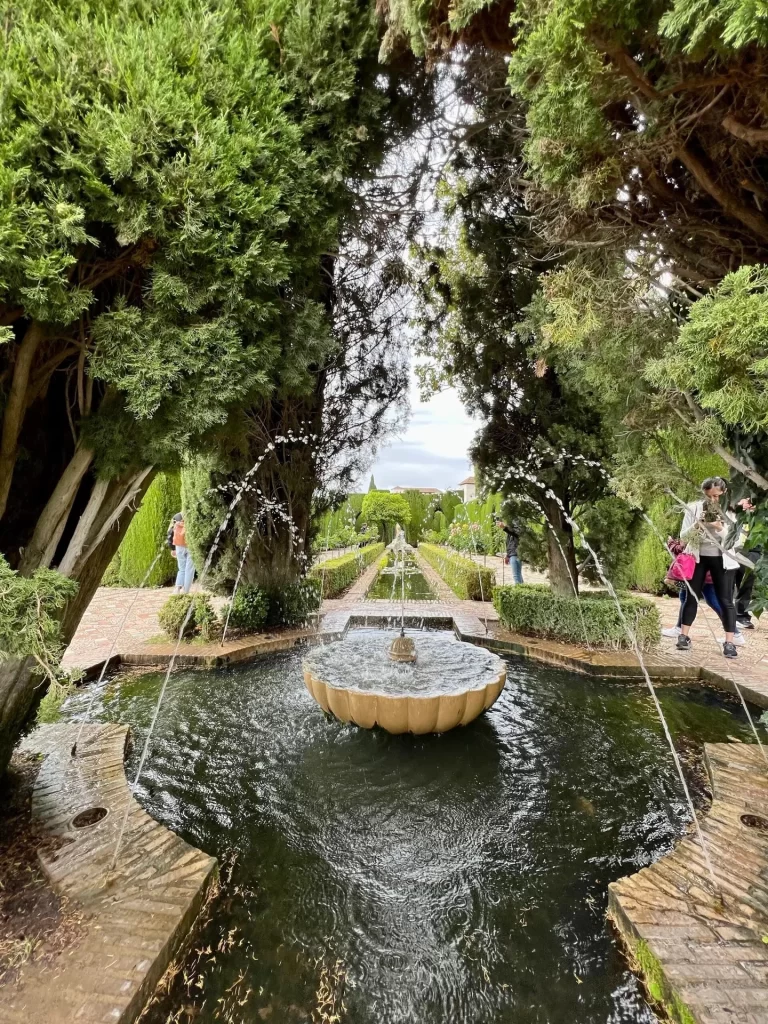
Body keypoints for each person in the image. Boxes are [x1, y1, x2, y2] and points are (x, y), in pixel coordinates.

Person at [676, 478, 740, 659]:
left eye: (716, 496)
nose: (713, 500)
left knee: (726, 600)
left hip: (722, 559)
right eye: (708, 496)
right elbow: (683, 537)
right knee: (691, 598)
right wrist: (699, 524)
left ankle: (729, 642)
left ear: (724, 493)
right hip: (698, 558)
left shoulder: (731, 511)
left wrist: (719, 528)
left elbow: (735, 540)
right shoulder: (694, 508)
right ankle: (684, 636)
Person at [662, 538, 744, 645]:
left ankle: (735, 633)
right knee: (686, 598)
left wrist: (672, 543)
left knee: (715, 601)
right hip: (700, 570)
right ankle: (679, 628)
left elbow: (683, 547)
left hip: (705, 573)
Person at [733, 496, 759, 630]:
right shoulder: (738, 506)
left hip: (753, 550)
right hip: (732, 549)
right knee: (727, 584)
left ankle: (741, 616)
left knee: (745, 584)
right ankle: (728, 614)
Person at [168, 512, 196, 594]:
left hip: (179, 546)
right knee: (189, 569)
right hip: (190, 545)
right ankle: (185, 591)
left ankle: (177, 589)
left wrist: (172, 548)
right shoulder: (192, 514)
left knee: (181, 569)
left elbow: (170, 532)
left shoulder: (176, 516)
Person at [497, 518, 523, 585]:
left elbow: (514, 532)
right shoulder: (510, 534)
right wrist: (507, 556)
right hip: (512, 555)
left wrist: (505, 527)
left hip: (516, 555)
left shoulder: (518, 531)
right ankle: (523, 589)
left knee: (516, 575)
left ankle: (519, 591)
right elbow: (509, 545)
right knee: (518, 574)